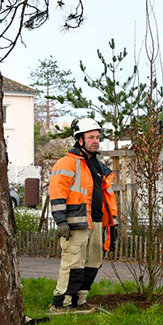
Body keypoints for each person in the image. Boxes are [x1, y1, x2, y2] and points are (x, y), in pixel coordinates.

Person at [48, 118, 116, 312]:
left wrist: (112, 223)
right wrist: (61, 221)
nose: (96, 141)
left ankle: (80, 300)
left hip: (95, 223)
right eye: (91, 137)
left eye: (97, 137)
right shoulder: (67, 163)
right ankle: (61, 303)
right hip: (74, 224)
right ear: (80, 140)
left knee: (93, 263)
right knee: (73, 263)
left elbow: (106, 197)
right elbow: (57, 194)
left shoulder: (97, 166)